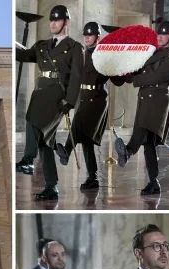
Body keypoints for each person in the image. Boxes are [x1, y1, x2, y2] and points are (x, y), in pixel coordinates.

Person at [15, 4, 83, 201]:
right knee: (45, 142)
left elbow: (77, 77)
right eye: (51, 20)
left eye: (57, 20)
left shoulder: (74, 47)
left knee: (31, 119)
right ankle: (51, 187)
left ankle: (28, 159)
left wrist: (69, 102)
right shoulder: (42, 45)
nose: (53, 23)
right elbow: (25, 55)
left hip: (57, 95)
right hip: (41, 92)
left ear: (66, 23)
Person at [55, 22, 124, 189]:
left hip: (98, 98)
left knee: (79, 127)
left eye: (90, 35)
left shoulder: (103, 55)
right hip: (85, 97)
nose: (86, 37)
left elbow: (118, 79)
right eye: (85, 35)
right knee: (86, 141)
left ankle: (66, 151)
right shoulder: (82, 54)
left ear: (97, 37)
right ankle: (92, 178)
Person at [115, 21, 169, 195]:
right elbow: (137, 72)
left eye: (164, 34)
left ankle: (128, 151)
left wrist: (135, 79)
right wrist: (121, 73)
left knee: (143, 128)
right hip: (145, 99)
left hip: (158, 100)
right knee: (149, 143)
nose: (159, 37)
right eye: (158, 34)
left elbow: (156, 76)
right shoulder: (150, 55)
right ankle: (154, 182)